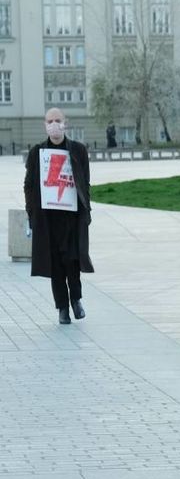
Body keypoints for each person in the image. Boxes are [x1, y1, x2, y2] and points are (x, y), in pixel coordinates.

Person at [24, 108, 94, 325]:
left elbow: (86, 183)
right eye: (50, 121)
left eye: (58, 121)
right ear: (45, 124)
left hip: (72, 217)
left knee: (72, 261)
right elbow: (29, 185)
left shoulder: (78, 150)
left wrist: (87, 210)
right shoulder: (37, 153)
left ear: (65, 123)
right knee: (55, 264)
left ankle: (76, 299)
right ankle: (62, 308)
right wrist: (31, 214)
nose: (54, 125)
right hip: (48, 219)